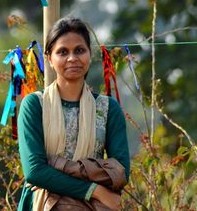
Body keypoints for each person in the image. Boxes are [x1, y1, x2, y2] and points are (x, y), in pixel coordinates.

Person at [17, 17, 130, 210]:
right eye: (62, 52)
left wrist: (57, 168)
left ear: (89, 54)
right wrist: (94, 190)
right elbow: (35, 171)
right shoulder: (35, 105)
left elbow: (121, 171)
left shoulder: (108, 108)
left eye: (79, 50)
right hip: (42, 204)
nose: (72, 58)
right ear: (49, 58)